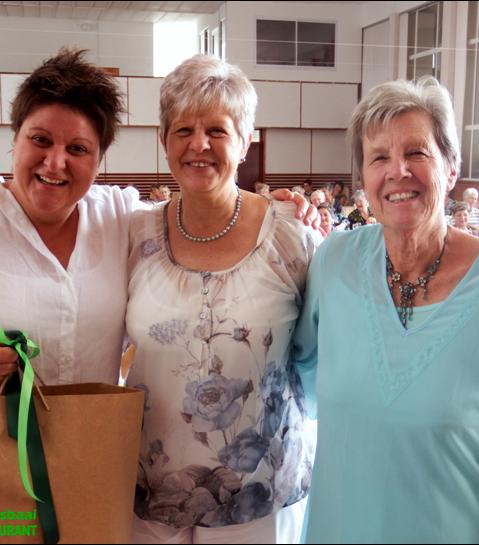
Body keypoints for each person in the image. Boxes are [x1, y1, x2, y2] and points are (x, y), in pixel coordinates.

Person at [0, 48, 315, 392]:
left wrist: (283, 211)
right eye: (40, 140)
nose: (56, 162)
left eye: (78, 149)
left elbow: (204, 212)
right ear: (15, 138)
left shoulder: (120, 216)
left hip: (99, 436)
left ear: (99, 160)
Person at [125, 54, 317, 544]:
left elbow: (323, 347)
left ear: (246, 140)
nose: (199, 144)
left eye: (217, 129)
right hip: (150, 491)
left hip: (260, 495)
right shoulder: (133, 234)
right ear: (163, 140)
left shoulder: (292, 237)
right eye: (183, 130)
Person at [292, 77, 479, 543]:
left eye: (417, 152)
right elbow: (300, 378)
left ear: (451, 168)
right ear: (363, 179)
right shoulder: (333, 263)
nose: (398, 171)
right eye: (379, 157)